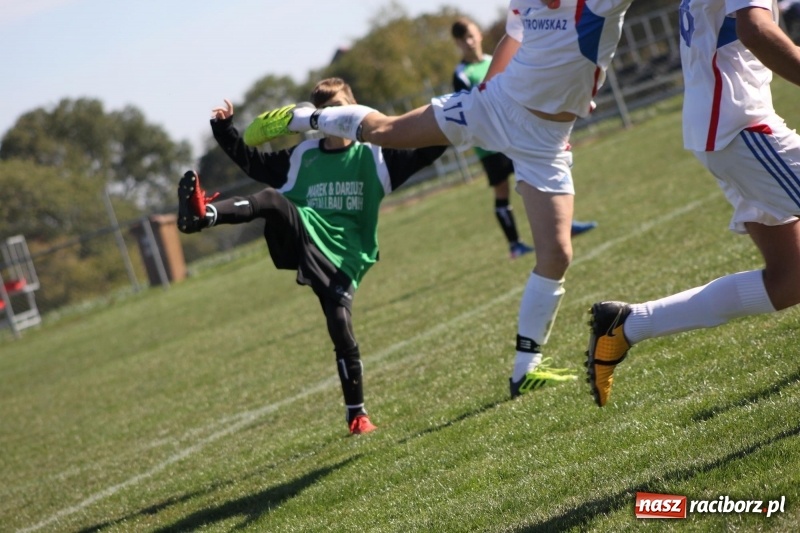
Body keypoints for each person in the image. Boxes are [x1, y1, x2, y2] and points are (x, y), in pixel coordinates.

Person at [243, 0, 635, 398]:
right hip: (493, 105)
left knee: (556, 255)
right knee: (386, 131)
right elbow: (512, 36)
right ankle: (303, 118)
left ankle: (525, 370)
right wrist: (486, 92)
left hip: (546, 141)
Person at [177, 78, 446, 433]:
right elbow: (253, 163)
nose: (332, 117)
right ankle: (203, 215)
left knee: (340, 326)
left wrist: (454, 115)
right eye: (325, 112)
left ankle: (357, 415)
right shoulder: (303, 155)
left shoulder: (378, 155)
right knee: (272, 199)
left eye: (339, 109)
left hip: (347, 254)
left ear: (354, 109)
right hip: (303, 234)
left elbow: (429, 146)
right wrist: (225, 129)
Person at [586, 1, 800, 407]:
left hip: (726, 130)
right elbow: (755, 30)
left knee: (790, 279)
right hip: (742, 127)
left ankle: (627, 325)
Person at [450, 16, 597, 260]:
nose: (468, 42)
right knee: (502, 190)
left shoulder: (494, 60)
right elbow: (469, 106)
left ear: (479, 35)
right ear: (457, 44)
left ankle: (563, 226)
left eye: (471, 35)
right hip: (490, 143)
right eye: (462, 39)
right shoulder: (461, 75)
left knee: (537, 179)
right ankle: (515, 245)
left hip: (516, 132)